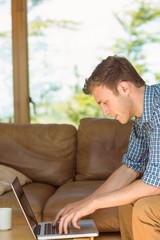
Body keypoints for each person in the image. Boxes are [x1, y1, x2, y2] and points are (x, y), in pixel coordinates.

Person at [53, 55, 160, 240]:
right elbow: (130, 168)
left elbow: (154, 184)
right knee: (126, 201)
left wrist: (94, 203)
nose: (105, 111)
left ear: (124, 88)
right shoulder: (142, 119)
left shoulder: (158, 110)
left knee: (146, 209)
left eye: (105, 102)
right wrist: (84, 203)